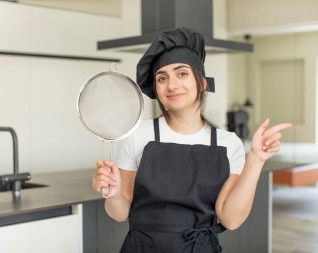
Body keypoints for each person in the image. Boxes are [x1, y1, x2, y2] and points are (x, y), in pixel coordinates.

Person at [92, 27, 291, 253]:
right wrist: (114, 193)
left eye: (182, 73)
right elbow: (119, 213)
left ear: (203, 82)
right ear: (156, 89)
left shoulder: (227, 143)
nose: (172, 85)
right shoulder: (138, 136)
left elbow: (231, 219)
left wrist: (255, 159)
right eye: (162, 78)